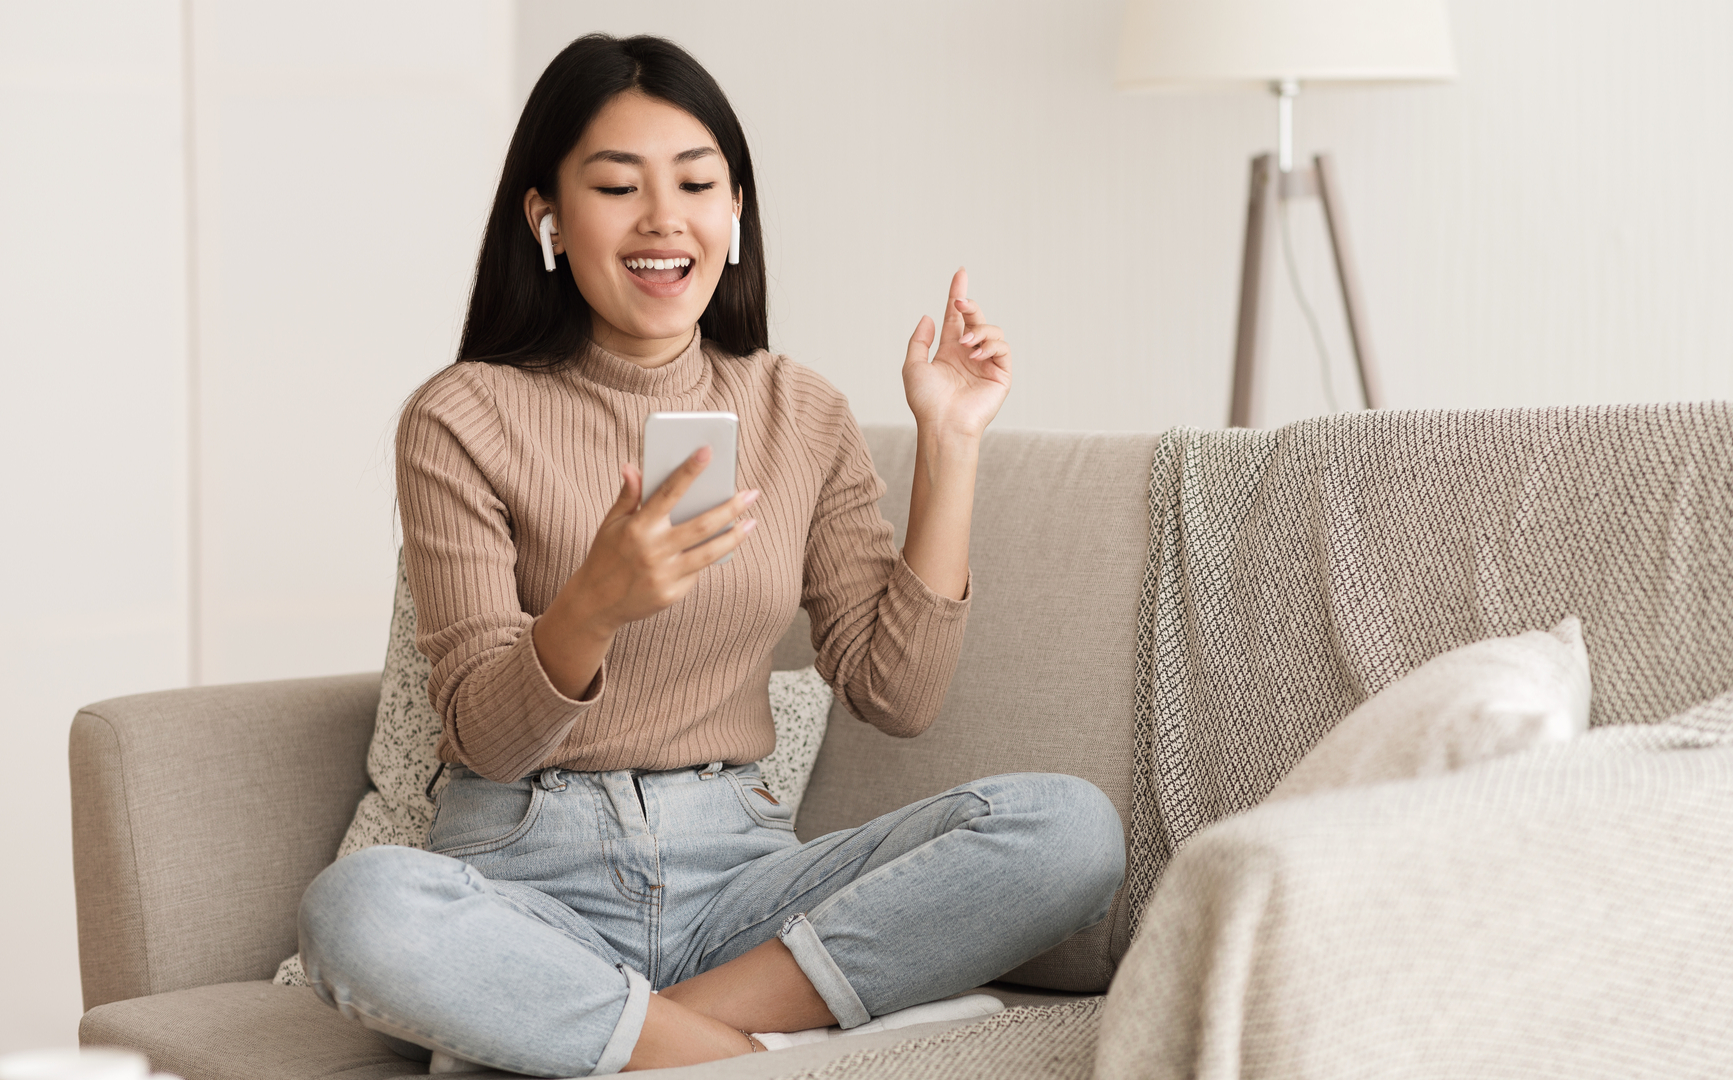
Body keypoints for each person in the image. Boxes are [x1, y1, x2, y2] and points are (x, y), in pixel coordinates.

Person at [296, 32, 1125, 1076]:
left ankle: (610, 1035)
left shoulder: (800, 410)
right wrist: (592, 606)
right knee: (358, 909)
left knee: (1070, 831)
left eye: (697, 182)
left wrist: (951, 445)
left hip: (738, 879)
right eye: (616, 185)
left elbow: (897, 694)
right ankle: (739, 1054)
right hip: (526, 875)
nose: (663, 219)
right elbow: (484, 737)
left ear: (735, 215)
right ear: (545, 215)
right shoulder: (464, 416)